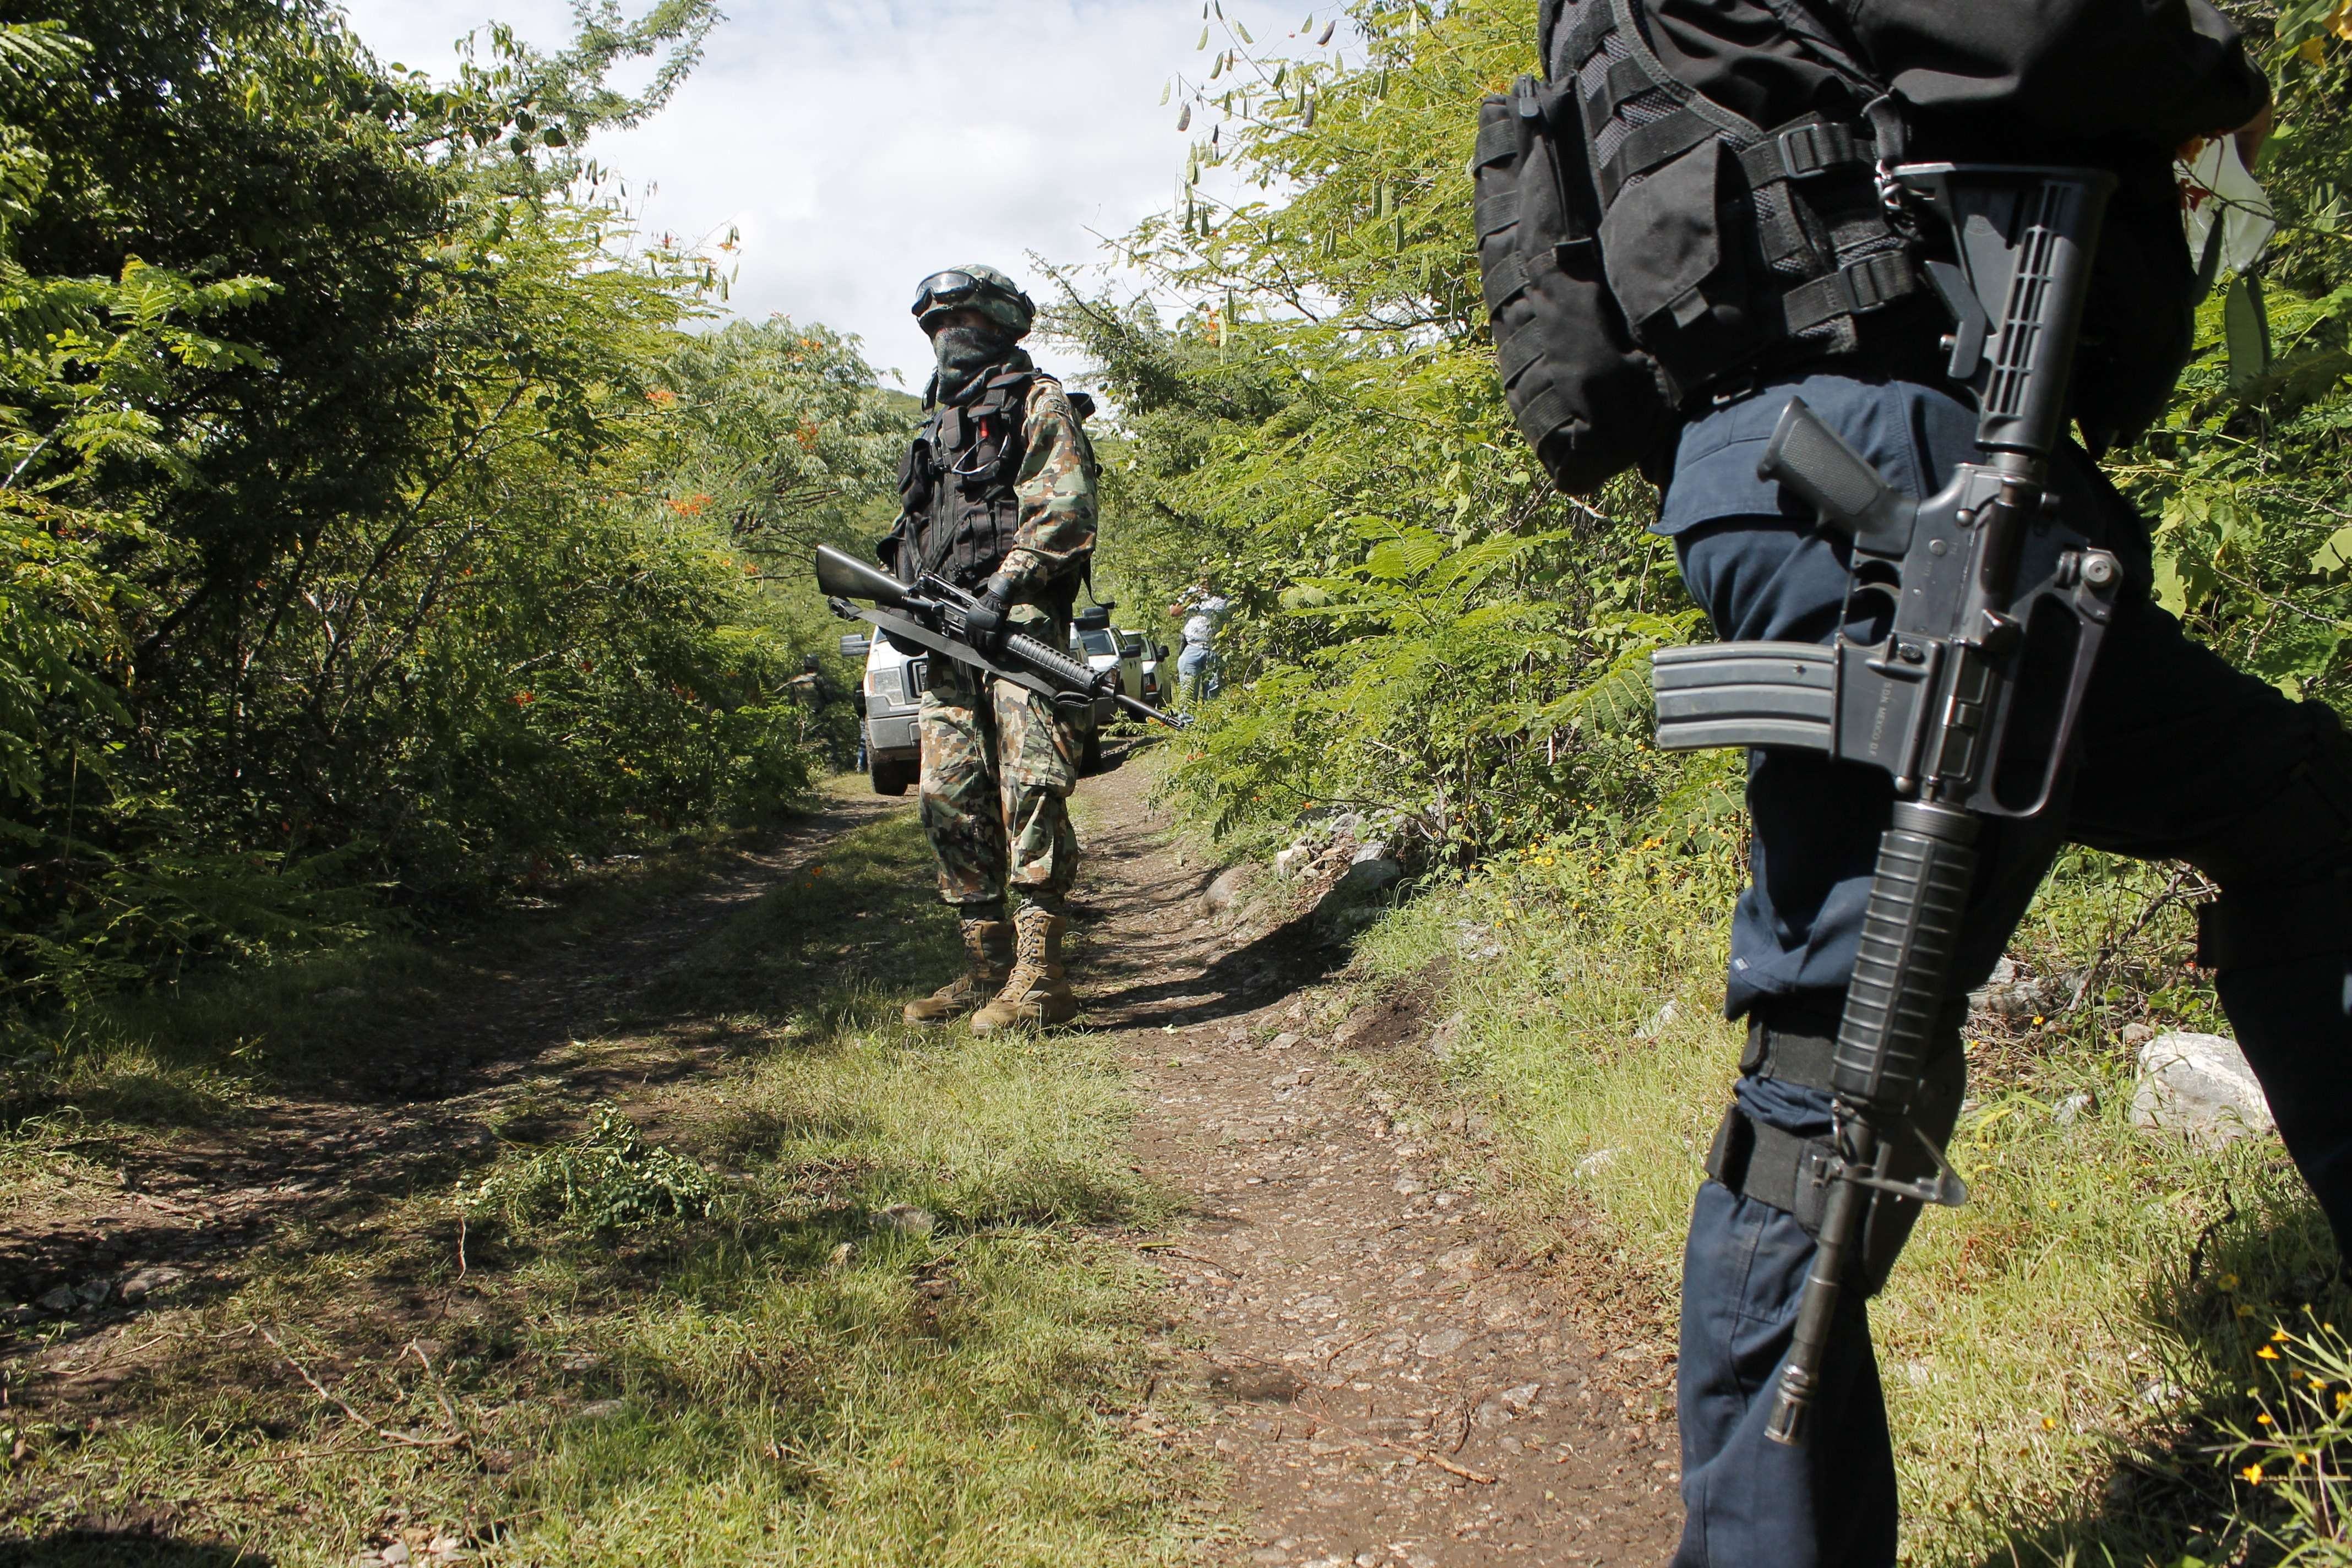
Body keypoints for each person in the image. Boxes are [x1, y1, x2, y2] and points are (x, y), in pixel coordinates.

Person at [1524, 3, 2334, 1563]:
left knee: (2298, 814)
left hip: (1802, 476)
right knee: (1829, 1072)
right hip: (1913, 475)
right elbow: (2051, 31)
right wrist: (2224, 67)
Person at [880, 264, 1098, 1036]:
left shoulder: (1037, 403)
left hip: (1018, 631)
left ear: (1002, 329)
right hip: (947, 641)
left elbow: (1065, 511)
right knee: (948, 796)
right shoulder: (935, 428)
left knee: (1033, 785)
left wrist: (1003, 591)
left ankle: (1040, 976)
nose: (948, 341)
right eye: (937, 329)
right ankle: (982, 969)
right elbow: (914, 534)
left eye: (963, 326)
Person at [1168, 581, 1229, 701]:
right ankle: (1186, 720)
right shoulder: (1191, 592)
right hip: (1192, 648)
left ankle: (1210, 719)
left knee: (1213, 695)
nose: (1206, 579)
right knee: (1188, 693)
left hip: (1215, 650)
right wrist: (1192, 598)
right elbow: (1174, 612)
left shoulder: (1225, 595)